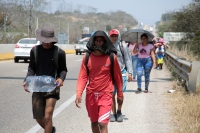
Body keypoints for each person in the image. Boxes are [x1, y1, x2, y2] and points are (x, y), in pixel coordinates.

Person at [75, 31, 123, 133]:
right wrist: (79, 93)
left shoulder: (111, 57)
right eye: (96, 41)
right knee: (94, 123)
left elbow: (118, 78)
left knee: (102, 123)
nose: (98, 43)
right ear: (93, 42)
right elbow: (83, 77)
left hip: (106, 94)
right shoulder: (87, 57)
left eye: (101, 41)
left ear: (105, 42)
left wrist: (120, 94)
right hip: (91, 95)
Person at [22, 27, 67, 133]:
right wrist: (26, 80)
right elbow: (31, 69)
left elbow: (63, 70)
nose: (47, 43)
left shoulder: (59, 52)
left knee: (48, 116)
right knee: (38, 117)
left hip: (52, 86)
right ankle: (51, 130)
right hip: (38, 86)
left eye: (49, 41)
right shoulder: (35, 51)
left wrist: (61, 79)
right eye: (44, 41)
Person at [109, 29, 133, 122]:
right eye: (112, 36)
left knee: (120, 95)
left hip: (121, 72)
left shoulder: (122, 45)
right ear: (109, 36)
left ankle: (119, 111)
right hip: (110, 74)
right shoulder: (106, 46)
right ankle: (113, 113)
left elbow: (127, 59)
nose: (114, 37)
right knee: (111, 94)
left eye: (115, 36)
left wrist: (130, 72)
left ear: (118, 36)